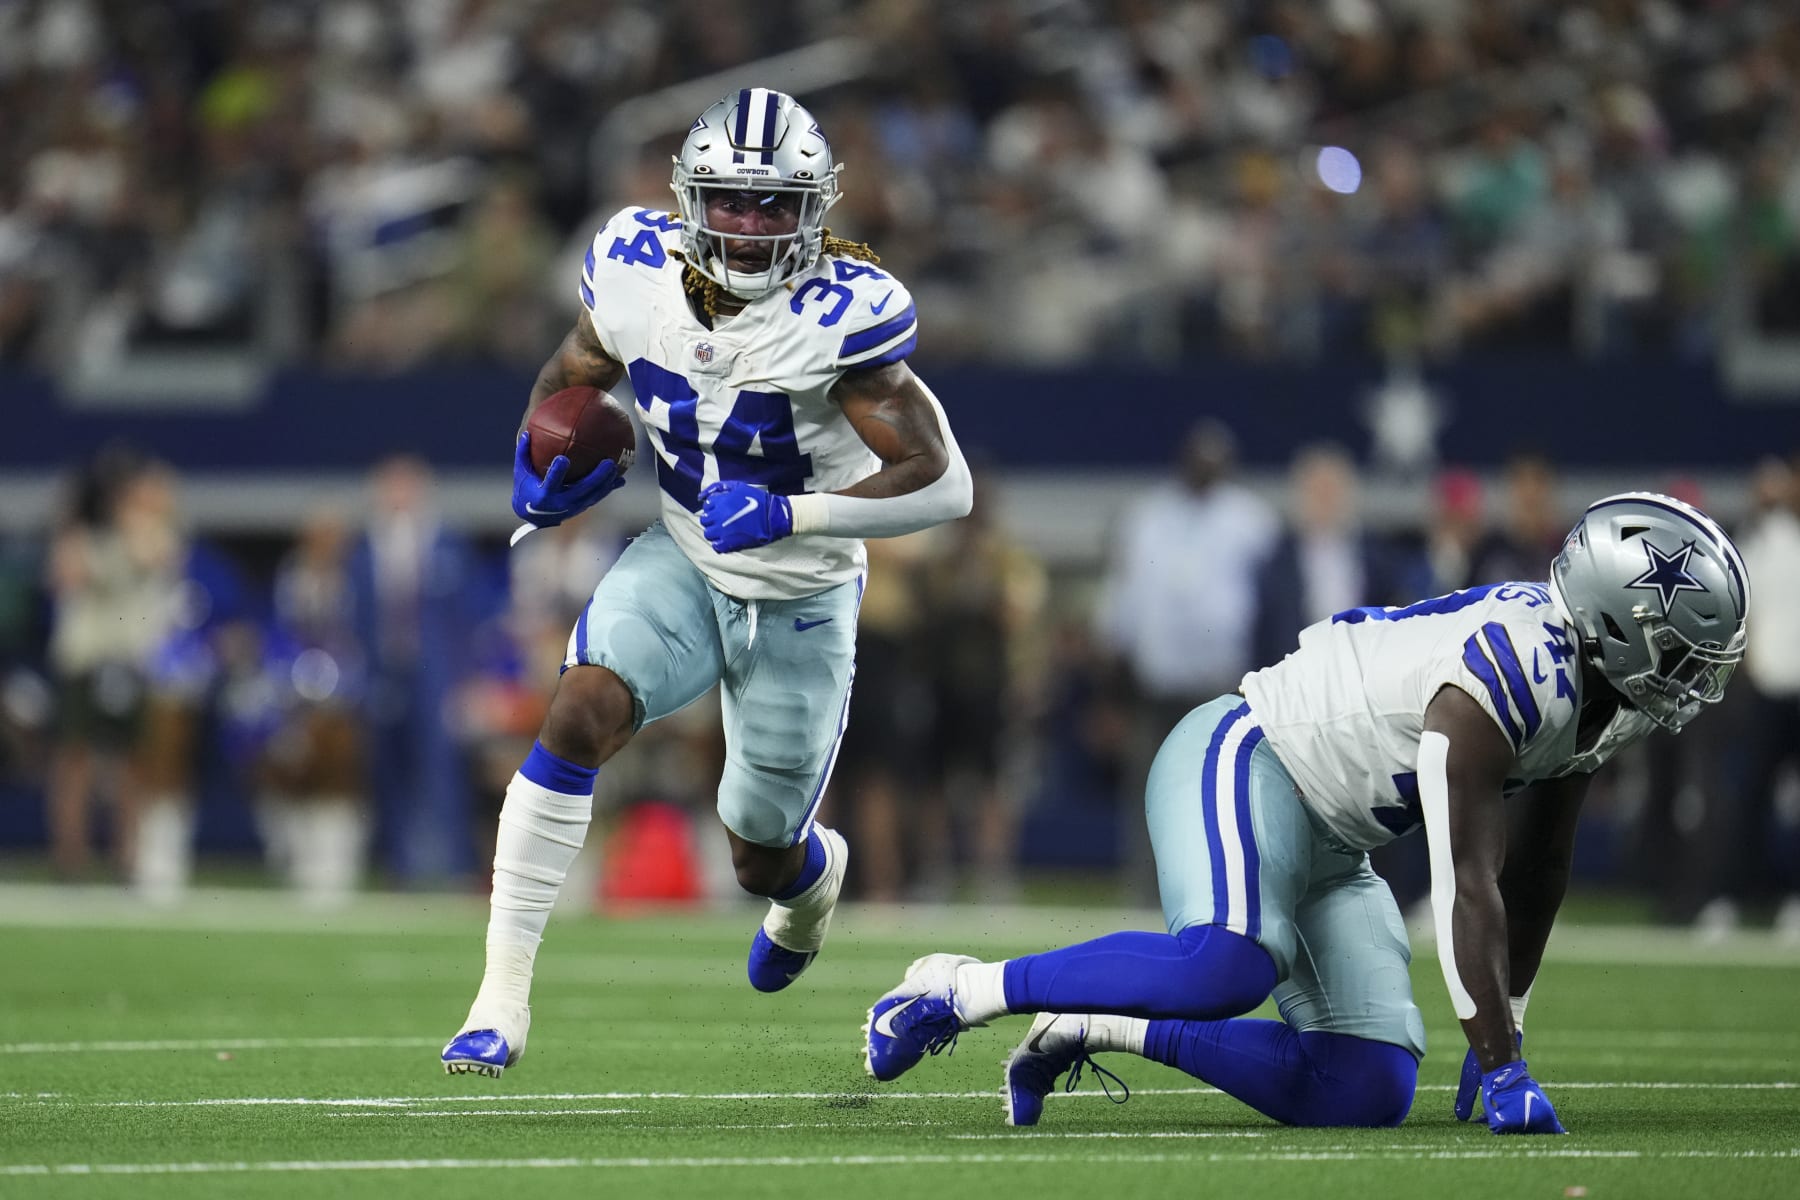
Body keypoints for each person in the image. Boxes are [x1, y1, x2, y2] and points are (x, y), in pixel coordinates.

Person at [862, 492, 1748, 1136]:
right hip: (1252, 756)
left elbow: (1540, 865)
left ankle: (1093, 1025)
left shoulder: (1602, 698)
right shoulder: (1508, 674)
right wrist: (1501, 1062)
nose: (1692, 676)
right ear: (1614, 619)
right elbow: (1463, 881)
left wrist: (1507, 1023)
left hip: (1335, 836)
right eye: (1680, 650)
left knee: (1364, 1089)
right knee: (1226, 966)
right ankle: (961, 986)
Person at [441, 88, 973, 1076]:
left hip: (803, 598)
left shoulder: (840, 315)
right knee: (577, 710)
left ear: (814, 210)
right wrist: (538, 454)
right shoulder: (635, 268)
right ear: (691, 195)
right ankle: (498, 1000)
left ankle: (813, 882)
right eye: (731, 200)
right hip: (683, 557)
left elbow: (945, 486)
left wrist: (793, 512)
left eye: (775, 205)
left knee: (757, 854)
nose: (751, 224)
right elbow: (572, 374)